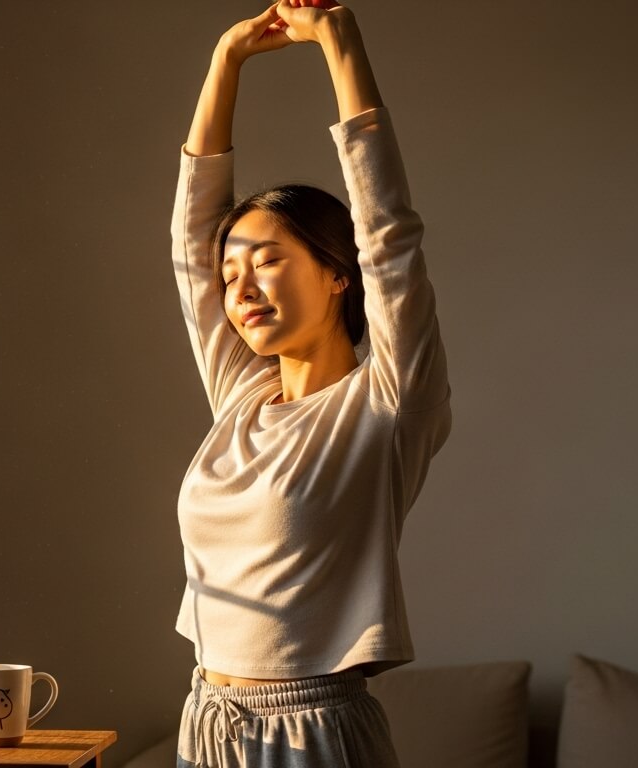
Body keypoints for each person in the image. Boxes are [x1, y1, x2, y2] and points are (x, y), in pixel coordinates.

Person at [170, 2, 452, 766]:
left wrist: (338, 41)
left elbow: (389, 235)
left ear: (337, 274)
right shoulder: (241, 397)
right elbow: (192, 240)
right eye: (231, 273)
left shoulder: (387, 403)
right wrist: (226, 59)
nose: (240, 288)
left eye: (267, 261)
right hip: (207, 723)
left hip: (312, 732)